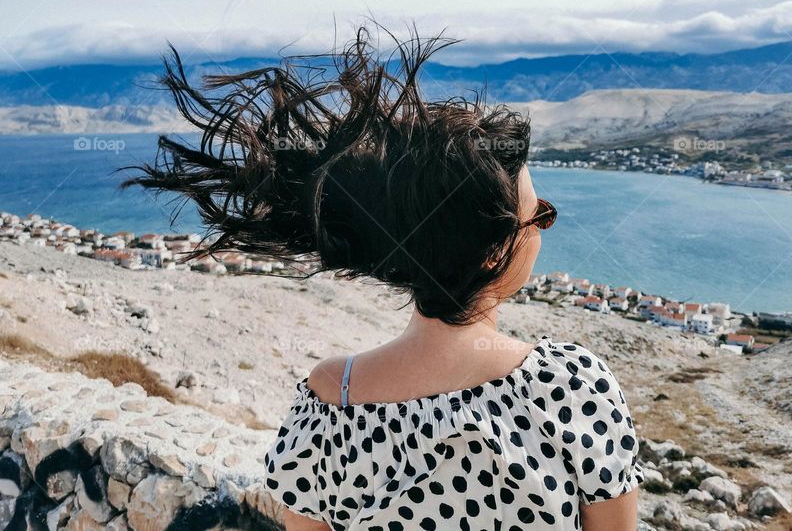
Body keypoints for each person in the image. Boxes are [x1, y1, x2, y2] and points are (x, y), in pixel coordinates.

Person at [122, 27, 642, 530]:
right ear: (494, 252)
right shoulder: (571, 388)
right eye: (540, 216)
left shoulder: (329, 401)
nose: (543, 231)